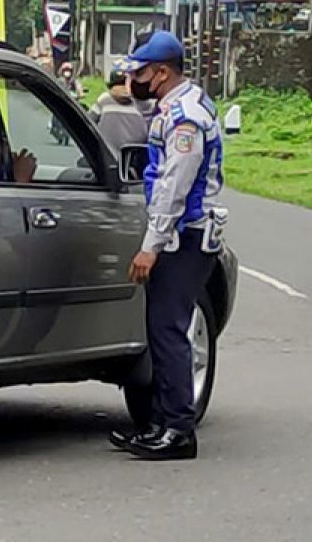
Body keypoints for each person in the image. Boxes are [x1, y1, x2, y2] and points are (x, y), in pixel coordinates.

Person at [109, 31, 225, 462]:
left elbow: (174, 186)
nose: (132, 80)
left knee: (169, 331)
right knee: (162, 330)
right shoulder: (174, 107)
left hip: (185, 234)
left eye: (139, 73)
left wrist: (150, 246)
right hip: (181, 233)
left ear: (161, 73)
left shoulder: (184, 118)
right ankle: (158, 423)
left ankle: (178, 429)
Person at [89, 68, 150, 150]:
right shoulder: (138, 102)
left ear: (110, 85)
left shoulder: (104, 99)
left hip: (106, 155)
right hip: (132, 157)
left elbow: (89, 121)